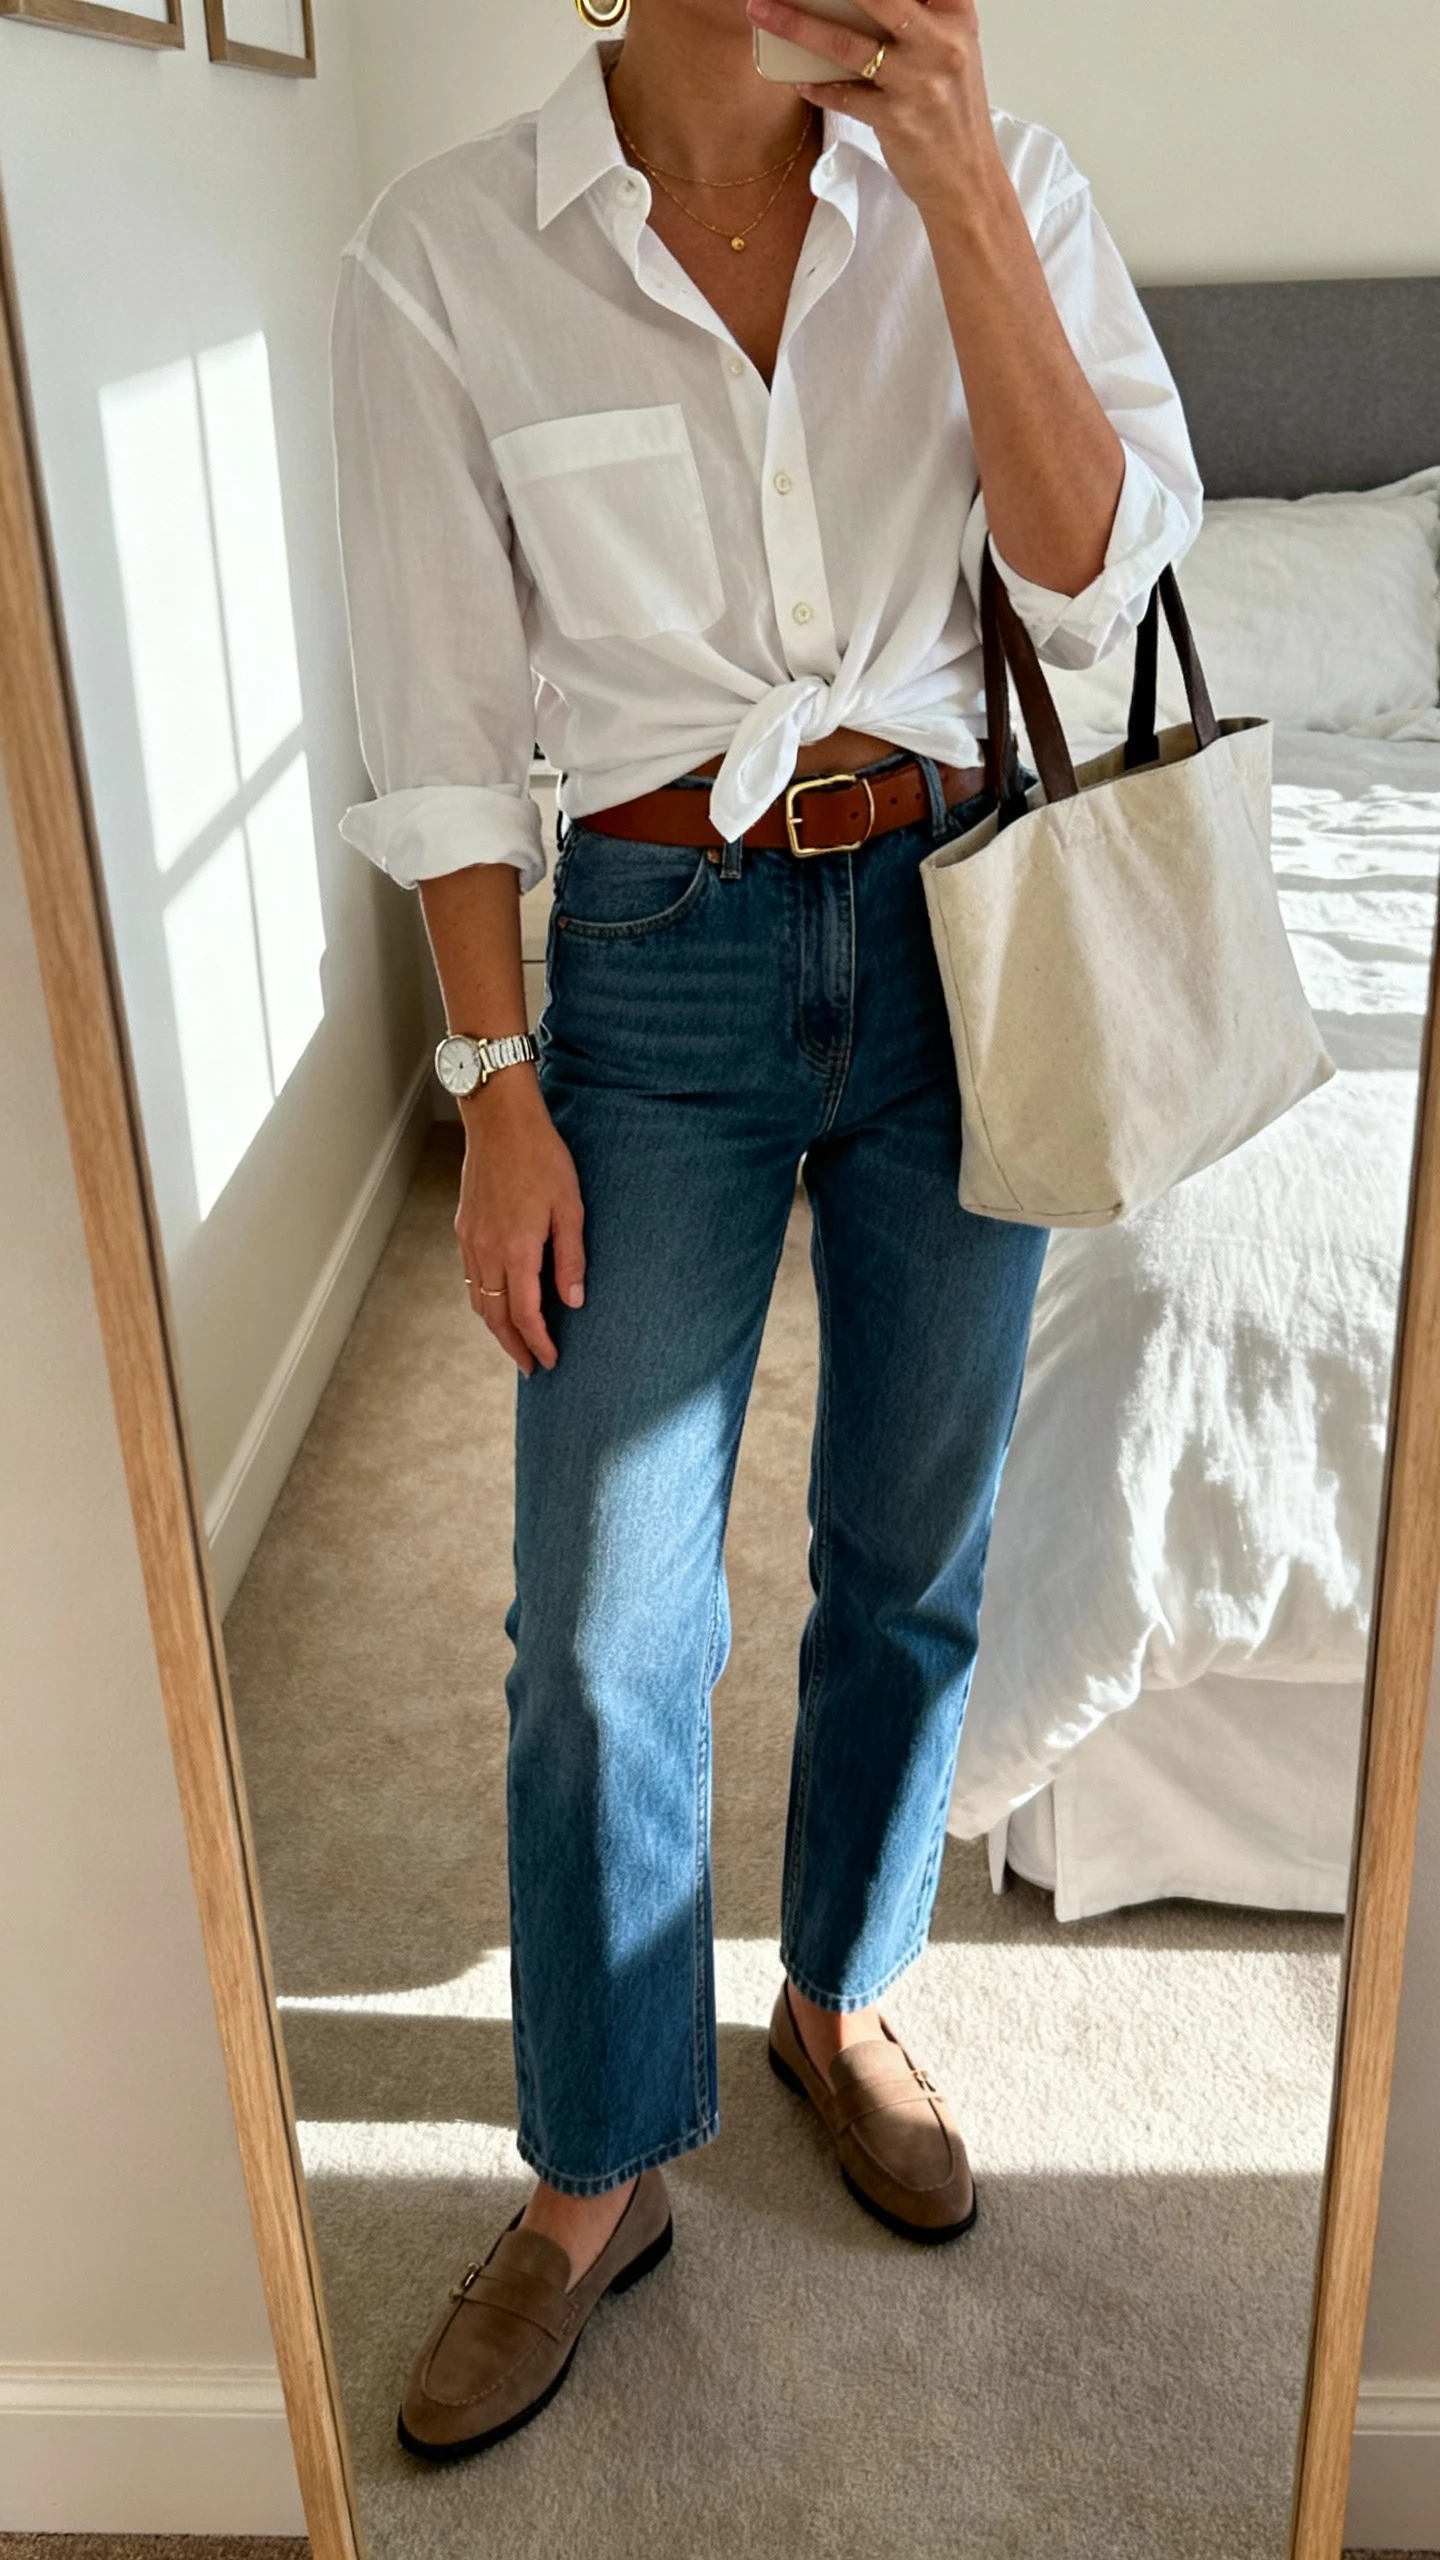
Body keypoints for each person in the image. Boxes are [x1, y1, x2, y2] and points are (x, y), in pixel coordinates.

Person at [331, 0, 1202, 2462]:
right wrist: (495, 1095)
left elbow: (1102, 556)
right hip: (645, 966)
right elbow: (431, 719)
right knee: (607, 1621)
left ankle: (839, 1986)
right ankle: (602, 2157)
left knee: (913, 1540)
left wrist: (952, 190)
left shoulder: (999, 184)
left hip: (973, 926)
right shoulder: (445, 256)